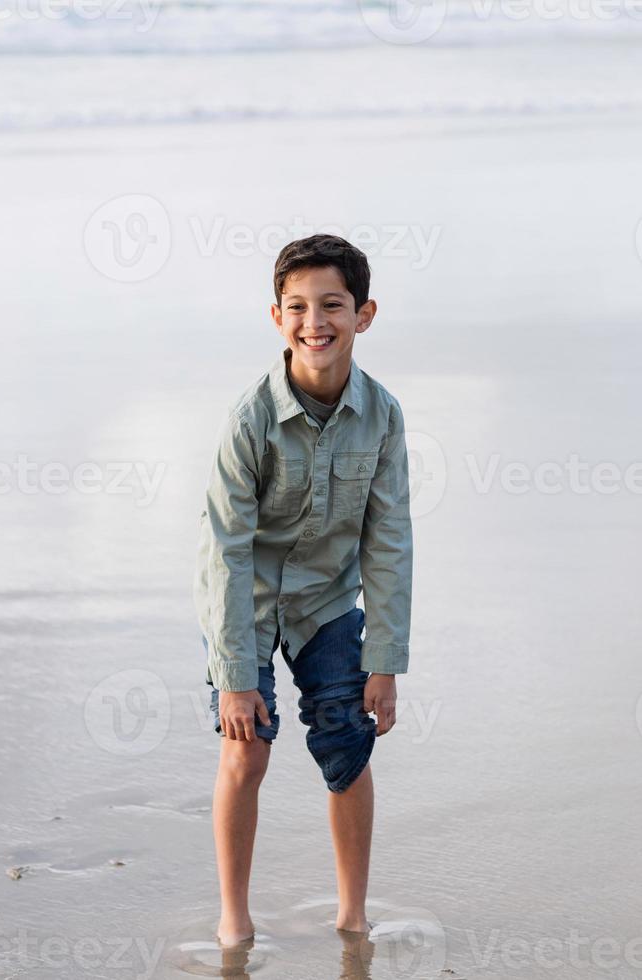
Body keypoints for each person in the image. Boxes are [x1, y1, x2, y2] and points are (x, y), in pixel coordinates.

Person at [193, 233, 413, 947]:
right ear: (276, 316)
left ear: (364, 314)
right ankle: (235, 918)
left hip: (324, 603)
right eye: (297, 307)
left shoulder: (383, 416)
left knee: (349, 743)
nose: (314, 322)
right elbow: (224, 550)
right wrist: (233, 679)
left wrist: (384, 660)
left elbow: (389, 539)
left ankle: (352, 915)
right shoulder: (250, 418)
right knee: (246, 746)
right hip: (246, 603)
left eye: (332, 306)